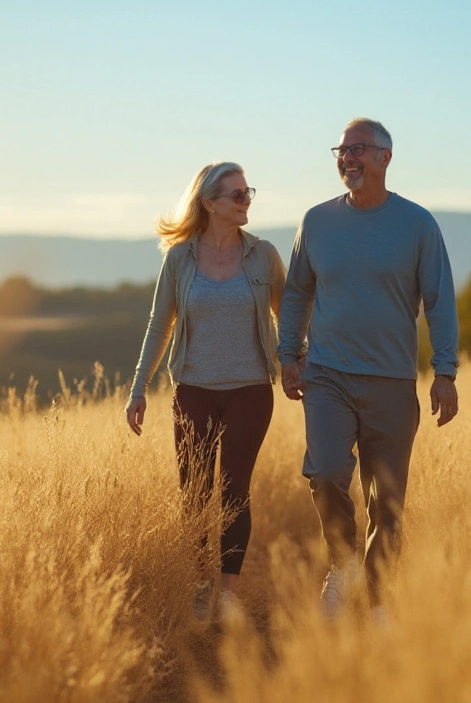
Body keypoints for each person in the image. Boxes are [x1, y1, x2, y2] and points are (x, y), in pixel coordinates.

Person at [277, 118, 459, 619]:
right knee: (328, 471)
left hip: (393, 379)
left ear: (385, 157)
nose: (347, 157)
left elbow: (440, 301)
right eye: (341, 149)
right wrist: (288, 356)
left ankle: (380, 599)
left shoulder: (418, 223)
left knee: (388, 499)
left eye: (358, 148)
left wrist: (445, 371)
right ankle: (344, 565)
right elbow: (296, 293)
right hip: (327, 374)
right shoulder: (316, 221)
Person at [125, 161, 286, 623]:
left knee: (234, 490)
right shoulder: (180, 258)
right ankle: (200, 587)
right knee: (194, 493)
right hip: (193, 389)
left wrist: (297, 364)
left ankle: (229, 595)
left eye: (248, 192)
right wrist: (139, 388)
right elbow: (160, 325)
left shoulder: (263, 255)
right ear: (209, 203)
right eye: (236, 195)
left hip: (251, 390)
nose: (246, 201)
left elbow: (290, 316)